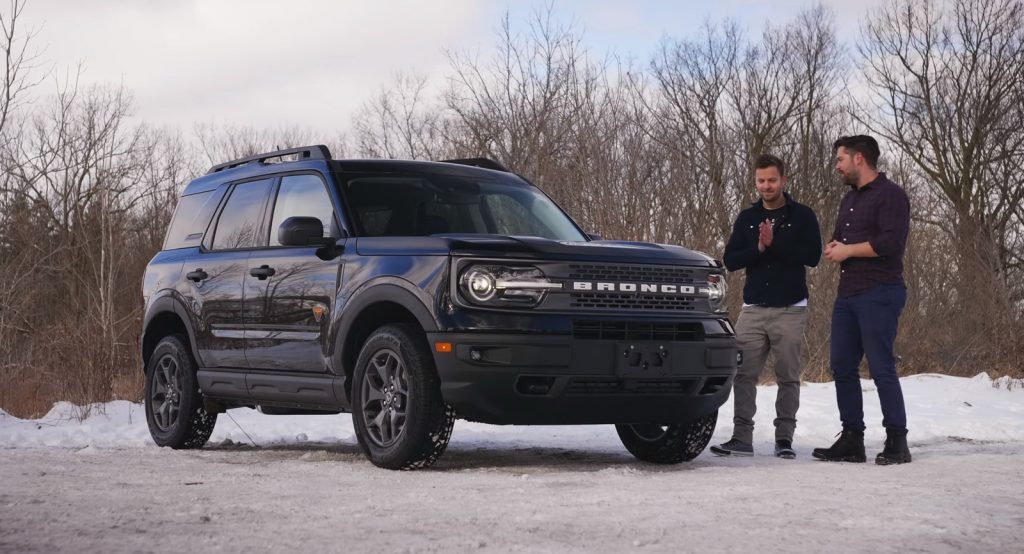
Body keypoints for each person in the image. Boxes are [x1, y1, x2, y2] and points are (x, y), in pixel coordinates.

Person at [712, 154, 822, 459]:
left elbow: (813, 256)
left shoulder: (803, 215)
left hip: (791, 307)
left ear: (784, 180)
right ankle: (741, 438)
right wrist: (759, 248)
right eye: (761, 180)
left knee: (788, 376)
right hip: (753, 308)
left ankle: (784, 439)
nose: (766, 186)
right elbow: (731, 260)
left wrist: (776, 244)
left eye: (772, 180)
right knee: (743, 374)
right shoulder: (747, 218)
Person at [812, 135, 912, 465]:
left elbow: (890, 244)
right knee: (842, 366)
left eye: (840, 159)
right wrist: (834, 247)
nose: (837, 166)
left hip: (880, 290)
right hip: (848, 294)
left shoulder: (891, 195)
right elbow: (841, 240)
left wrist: (848, 250)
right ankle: (852, 439)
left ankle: (897, 441)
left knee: (881, 366)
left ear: (858, 159)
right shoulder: (848, 199)